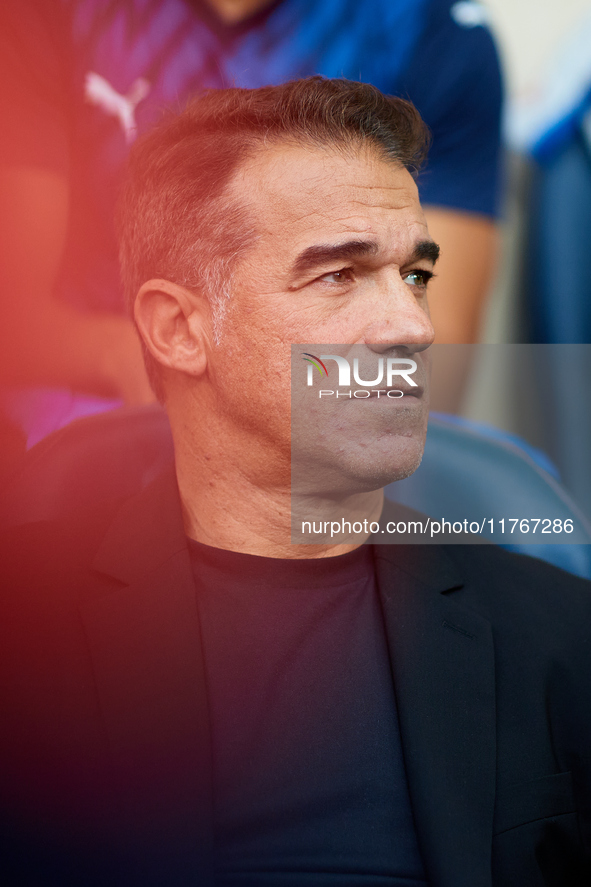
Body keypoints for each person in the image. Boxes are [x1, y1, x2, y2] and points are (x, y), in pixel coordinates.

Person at [2, 79, 589, 887]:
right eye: (338, 275)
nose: (412, 328)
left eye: (413, 275)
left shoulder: (561, 635)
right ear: (179, 328)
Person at [0, 0, 503, 459]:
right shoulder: (49, 15)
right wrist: (121, 357)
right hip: (92, 397)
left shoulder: (430, 31)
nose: (414, 324)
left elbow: (432, 344)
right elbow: (16, 315)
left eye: (415, 277)